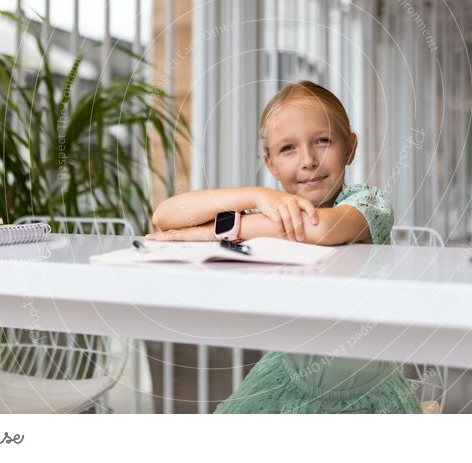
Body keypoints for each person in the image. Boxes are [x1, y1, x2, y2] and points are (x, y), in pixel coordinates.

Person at [148, 80, 422, 414]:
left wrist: (219, 231)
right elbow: (165, 216)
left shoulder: (368, 203)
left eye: (323, 141)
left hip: (360, 388)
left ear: (350, 147)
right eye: (287, 148)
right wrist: (255, 195)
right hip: (289, 372)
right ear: (271, 164)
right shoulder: (273, 210)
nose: (308, 160)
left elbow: (317, 228)